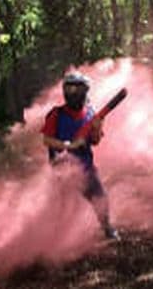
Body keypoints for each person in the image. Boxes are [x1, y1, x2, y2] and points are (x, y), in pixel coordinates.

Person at [40, 72, 120, 240]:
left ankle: (107, 228)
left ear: (84, 90)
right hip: (61, 168)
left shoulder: (90, 113)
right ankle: (52, 241)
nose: (71, 92)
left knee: (100, 197)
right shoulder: (56, 114)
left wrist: (97, 127)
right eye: (68, 87)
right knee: (62, 207)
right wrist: (67, 145)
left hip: (85, 167)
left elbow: (95, 141)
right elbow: (47, 140)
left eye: (76, 88)